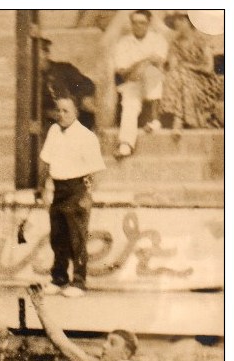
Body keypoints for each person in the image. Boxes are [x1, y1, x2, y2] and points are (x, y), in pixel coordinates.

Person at [36, 96, 106, 298]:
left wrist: (86, 196)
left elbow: (95, 171)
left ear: (76, 112)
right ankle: (59, 279)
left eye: (66, 111)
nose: (61, 115)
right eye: (58, 110)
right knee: (58, 237)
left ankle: (79, 282)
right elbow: (47, 161)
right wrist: (42, 188)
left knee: (77, 238)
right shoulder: (54, 131)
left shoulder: (86, 136)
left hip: (77, 189)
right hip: (58, 189)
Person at [112, 10, 169, 158]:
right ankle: (126, 144)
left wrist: (140, 66)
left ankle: (154, 119)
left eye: (142, 22)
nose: (138, 26)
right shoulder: (123, 42)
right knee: (129, 102)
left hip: (153, 83)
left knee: (151, 72)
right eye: (135, 22)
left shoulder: (158, 39)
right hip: (132, 83)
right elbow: (123, 72)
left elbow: (159, 62)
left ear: (149, 23)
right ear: (131, 24)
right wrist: (144, 61)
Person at [161, 11, 224, 134]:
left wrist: (188, 66)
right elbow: (174, 67)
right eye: (176, 20)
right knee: (178, 75)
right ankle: (178, 119)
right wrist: (180, 68)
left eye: (180, 20)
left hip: (205, 82)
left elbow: (208, 68)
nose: (177, 23)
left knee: (184, 75)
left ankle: (178, 120)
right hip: (182, 79)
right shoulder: (175, 43)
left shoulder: (201, 40)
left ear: (188, 22)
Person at [39, 37, 97, 132]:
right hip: (50, 122)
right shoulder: (29, 79)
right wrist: (48, 112)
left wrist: (77, 101)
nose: (34, 57)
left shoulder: (63, 69)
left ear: (46, 53)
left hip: (75, 115)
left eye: (39, 53)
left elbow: (87, 85)